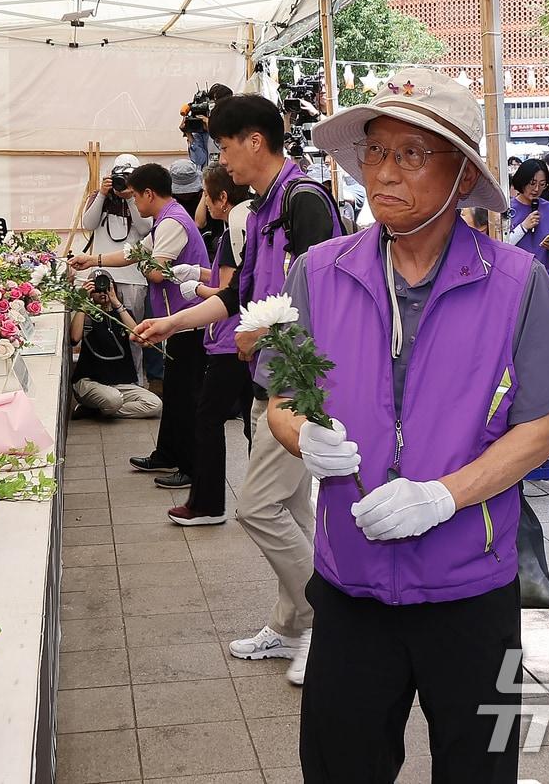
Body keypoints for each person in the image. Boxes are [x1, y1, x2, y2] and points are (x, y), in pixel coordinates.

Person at [271, 68, 549, 783]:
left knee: (480, 768)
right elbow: (284, 400)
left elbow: (537, 431)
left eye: (413, 154)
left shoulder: (515, 282)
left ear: (463, 174)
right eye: (376, 152)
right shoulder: (319, 272)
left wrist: (442, 496)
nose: (385, 172)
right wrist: (302, 435)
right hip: (349, 583)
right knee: (340, 764)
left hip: (473, 589)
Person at [134, 92, 339, 685]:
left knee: (256, 506)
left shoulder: (305, 202)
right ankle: (290, 623)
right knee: (295, 510)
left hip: (298, 386)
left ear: (255, 141)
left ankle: (326, 620)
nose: (218, 159)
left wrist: (259, 329)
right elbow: (236, 296)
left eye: (223, 146)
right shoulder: (264, 205)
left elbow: (314, 298)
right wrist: (172, 322)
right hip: (269, 379)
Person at [69, 164, 212, 488]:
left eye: (135, 196)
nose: (134, 203)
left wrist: (146, 266)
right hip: (178, 317)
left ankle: (189, 467)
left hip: (189, 318)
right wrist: (93, 260)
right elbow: (136, 253)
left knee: (185, 396)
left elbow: (156, 271)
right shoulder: (166, 220)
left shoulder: (173, 222)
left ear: (149, 194)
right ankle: (167, 453)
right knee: (174, 393)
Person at [165, 163, 254, 525]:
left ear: (221, 197)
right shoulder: (234, 227)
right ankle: (253, 500)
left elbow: (230, 291)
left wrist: (197, 289)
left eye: (205, 194)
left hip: (230, 340)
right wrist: (198, 274)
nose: (202, 201)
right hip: (236, 337)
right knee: (249, 421)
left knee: (208, 417)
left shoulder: (236, 224)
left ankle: (208, 503)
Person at [79, 154, 156, 383]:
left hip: (133, 277)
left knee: (134, 333)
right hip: (104, 273)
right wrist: (103, 193)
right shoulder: (99, 197)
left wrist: (131, 197)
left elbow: (144, 229)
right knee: (99, 329)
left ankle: (137, 381)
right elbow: (88, 224)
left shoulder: (142, 198)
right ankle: (103, 380)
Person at [69, 273, 162, 419]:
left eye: (105, 286)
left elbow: (138, 337)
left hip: (119, 384)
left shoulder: (122, 313)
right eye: (96, 287)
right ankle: (107, 405)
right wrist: (82, 301)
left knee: (154, 404)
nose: (101, 291)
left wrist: (116, 302)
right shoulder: (87, 316)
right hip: (90, 382)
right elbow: (74, 338)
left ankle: (97, 410)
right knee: (113, 399)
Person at [506, 159, 549, 315]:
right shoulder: (507, 210)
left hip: (547, 281)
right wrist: (523, 227)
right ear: (522, 180)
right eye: (532, 183)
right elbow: (501, 245)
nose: (536, 189)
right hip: (516, 281)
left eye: (542, 184)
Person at [184, 83, 234, 168]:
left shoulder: (233, 124)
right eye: (211, 102)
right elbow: (199, 160)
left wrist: (212, 129)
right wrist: (189, 135)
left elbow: (231, 153)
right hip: (208, 176)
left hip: (228, 175)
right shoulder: (202, 125)